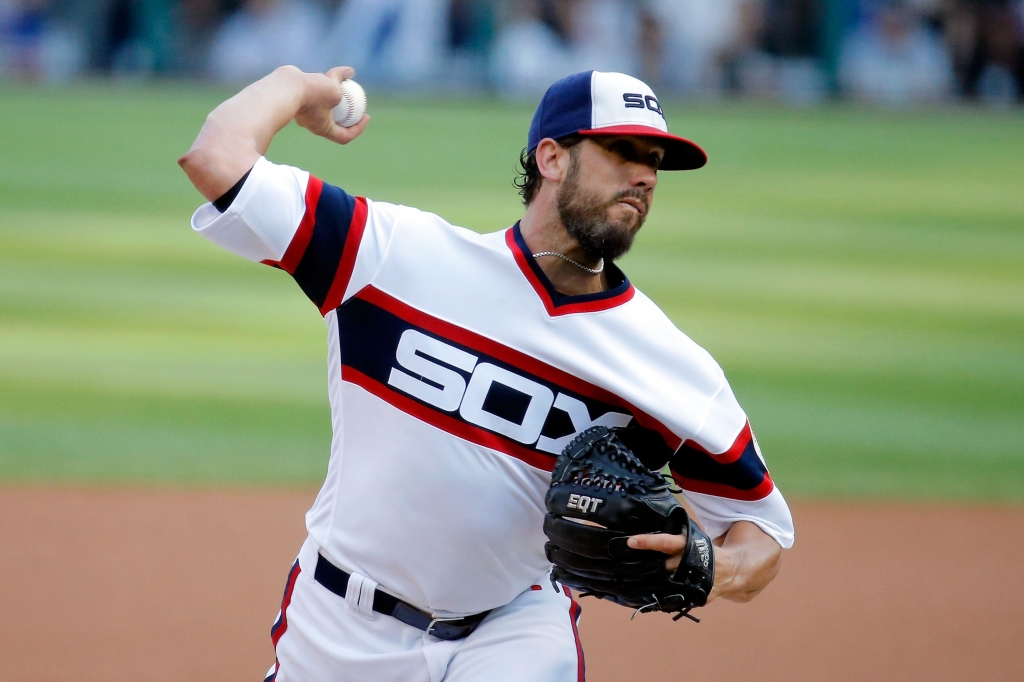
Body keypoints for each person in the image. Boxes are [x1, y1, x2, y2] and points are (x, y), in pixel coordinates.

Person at [178, 66, 795, 682]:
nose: (644, 176)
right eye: (622, 151)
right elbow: (215, 156)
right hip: (340, 626)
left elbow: (762, 529)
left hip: (516, 632)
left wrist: (712, 565)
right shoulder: (391, 257)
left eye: (655, 160)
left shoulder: (667, 364)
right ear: (552, 158)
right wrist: (295, 85)